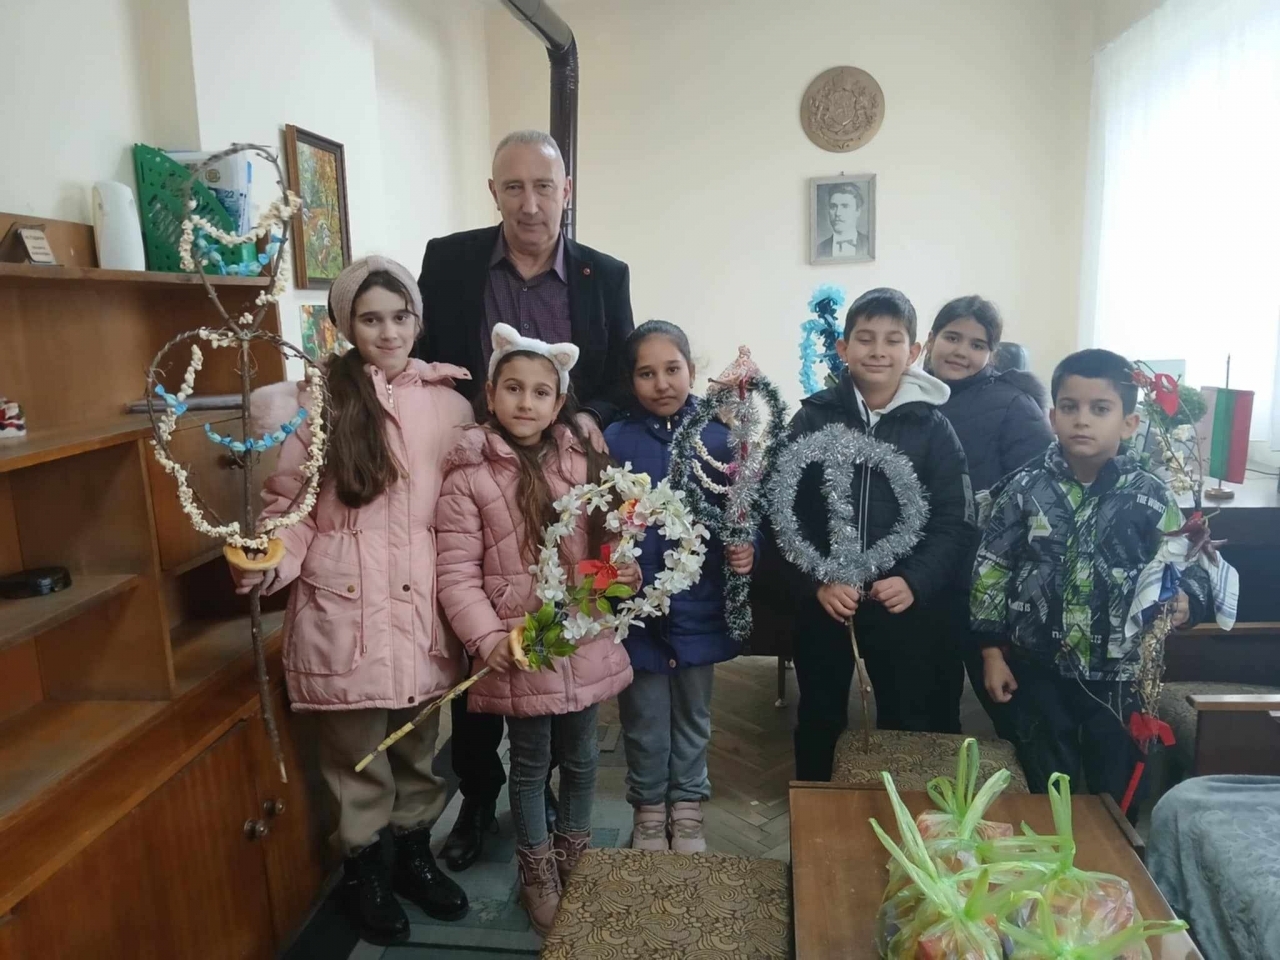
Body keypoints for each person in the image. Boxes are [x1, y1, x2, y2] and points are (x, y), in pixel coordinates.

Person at [233, 256, 472, 946]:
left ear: (417, 320)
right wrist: (269, 561)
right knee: (356, 755)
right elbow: (293, 508)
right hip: (346, 609)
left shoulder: (452, 406)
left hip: (422, 607)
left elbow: (466, 506)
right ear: (345, 325)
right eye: (371, 319)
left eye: (400, 316)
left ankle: (415, 856)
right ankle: (365, 869)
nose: (388, 332)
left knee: (418, 745)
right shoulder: (319, 406)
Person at [414, 130, 636, 870]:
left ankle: (558, 820)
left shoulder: (605, 274)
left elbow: (618, 376)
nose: (530, 203)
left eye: (544, 186)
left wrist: (584, 418)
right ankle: (480, 802)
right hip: (478, 471)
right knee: (485, 646)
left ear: (566, 191)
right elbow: (425, 359)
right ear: (494, 193)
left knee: (562, 646)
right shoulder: (449, 260)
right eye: (513, 187)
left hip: (564, 470)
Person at [435, 324, 635, 934]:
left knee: (582, 755)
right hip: (522, 645)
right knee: (529, 762)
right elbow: (455, 573)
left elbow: (610, 541)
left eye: (541, 392)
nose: (526, 402)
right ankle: (537, 869)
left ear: (559, 401)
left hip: (583, 634)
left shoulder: (584, 462)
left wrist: (620, 569)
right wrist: (486, 639)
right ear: (491, 393)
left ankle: (575, 852)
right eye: (514, 388)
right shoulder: (468, 474)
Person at [971, 348, 1214, 807]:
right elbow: (992, 569)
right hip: (1037, 667)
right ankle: (1051, 844)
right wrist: (991, 651)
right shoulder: (1024, 489)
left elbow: (1187, 562)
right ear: (1052, 417)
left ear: (1129, 423)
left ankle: (1114, 846)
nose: (1082, 420)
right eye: (1070, 407)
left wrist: (1187, 599)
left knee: (1117, 784)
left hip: (1121, 675)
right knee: (1046, 779)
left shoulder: (1150, 495)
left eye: (1100, 409)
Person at [778, 287, 973, 782]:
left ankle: (896, 807)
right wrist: (817, 582)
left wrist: (914, 580)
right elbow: (783, 512)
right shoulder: (813, 417)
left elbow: (953, 520)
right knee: (819, 712)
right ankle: (817, 805)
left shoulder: (934, 429)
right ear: (843, 349)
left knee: (905, 713)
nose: (878, 351)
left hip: (899, 602)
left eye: (893, 340)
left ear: (914, 351)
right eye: (865, 339)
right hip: (828, 601)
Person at [603, 321, 755, 853]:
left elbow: (743, 511)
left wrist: (747, 546)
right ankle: (648, 808)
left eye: (672, 369)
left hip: (698, 606)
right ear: (631, 380)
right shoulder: (615, 440)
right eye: (647, 373)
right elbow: (601, 519)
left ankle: (688, 806)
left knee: (694, 714)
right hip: (638, 612)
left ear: (691, 370)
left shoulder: (719, 437)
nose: (662, 383)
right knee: (643, 718)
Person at [924, 295, 1052, 739]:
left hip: (988, 588)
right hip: (926, 582)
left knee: (1013, 716)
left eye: (977, 344)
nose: (961, 351)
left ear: (992, 354)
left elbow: (1040, 499)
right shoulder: (910, 398)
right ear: (930, 340)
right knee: (929, 716)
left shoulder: (1014, 405)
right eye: (952, 337)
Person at [816, 182, 870, 259]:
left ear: (857, 211)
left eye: (845, 206)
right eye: (833, 207)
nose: (838, 213)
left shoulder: (870, 244)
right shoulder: (819, 249)